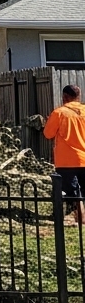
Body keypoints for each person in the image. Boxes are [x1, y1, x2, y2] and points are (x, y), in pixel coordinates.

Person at [43, 84, 85, 225]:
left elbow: (48, 134)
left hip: (67, 160)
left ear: (65, 97)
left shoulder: (59, 113)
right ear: (78, 97)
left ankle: (79, 218)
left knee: (72, 191)